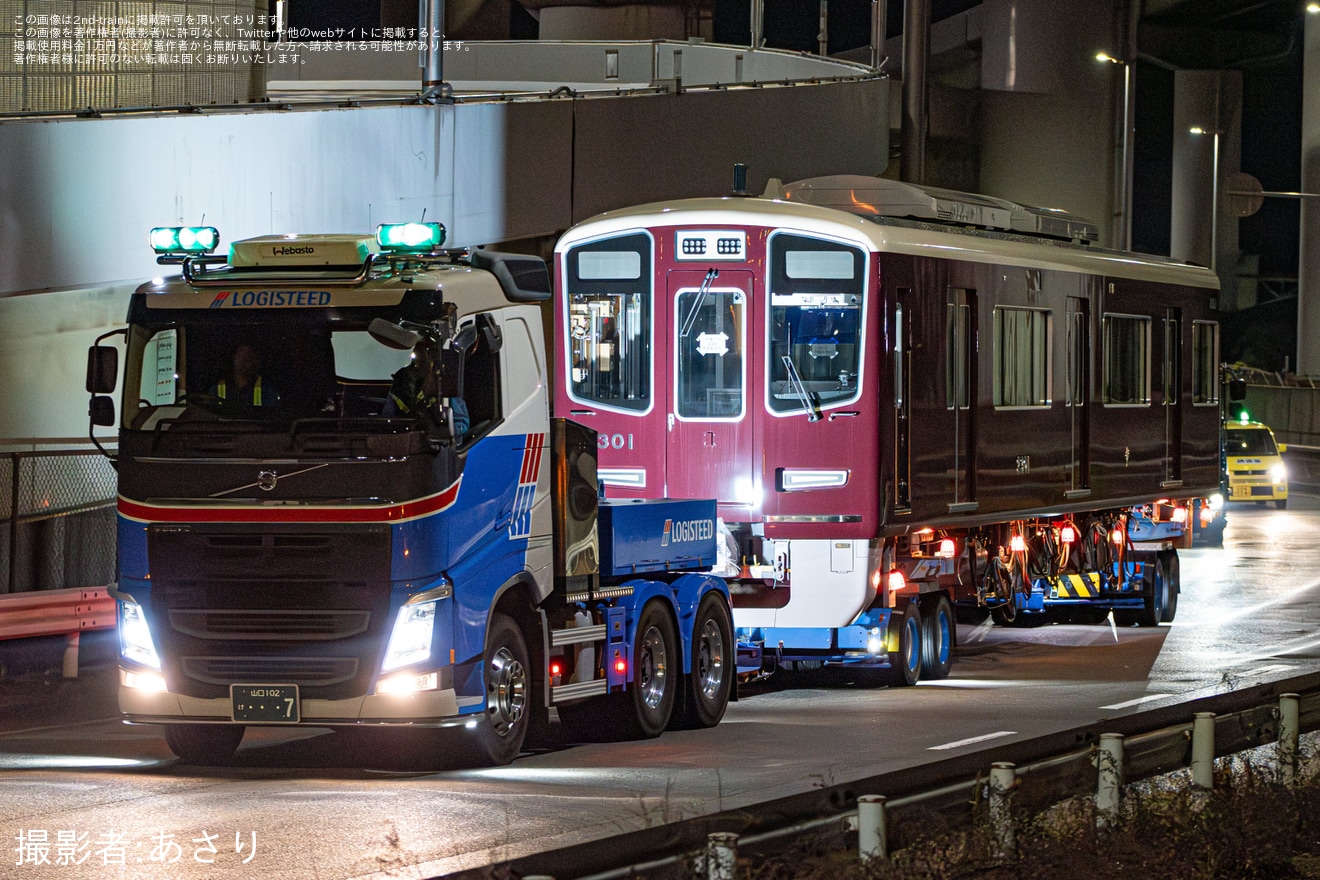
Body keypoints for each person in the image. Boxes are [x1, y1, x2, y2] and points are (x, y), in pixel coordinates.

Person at [386, 342, 469, 437]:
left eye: (424, 360)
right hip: (405, 437)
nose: (419, 366)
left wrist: (443, 432)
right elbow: (388, 417)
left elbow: (461, 426)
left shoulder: (444, 382)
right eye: (417, 360)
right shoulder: (401, 380)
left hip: (434, 442)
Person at [210, 342, 281, 410]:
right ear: (233, 358)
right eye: (242, 356)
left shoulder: (267, 391)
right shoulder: (217, 390)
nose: (247, 360)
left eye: (251, 356)